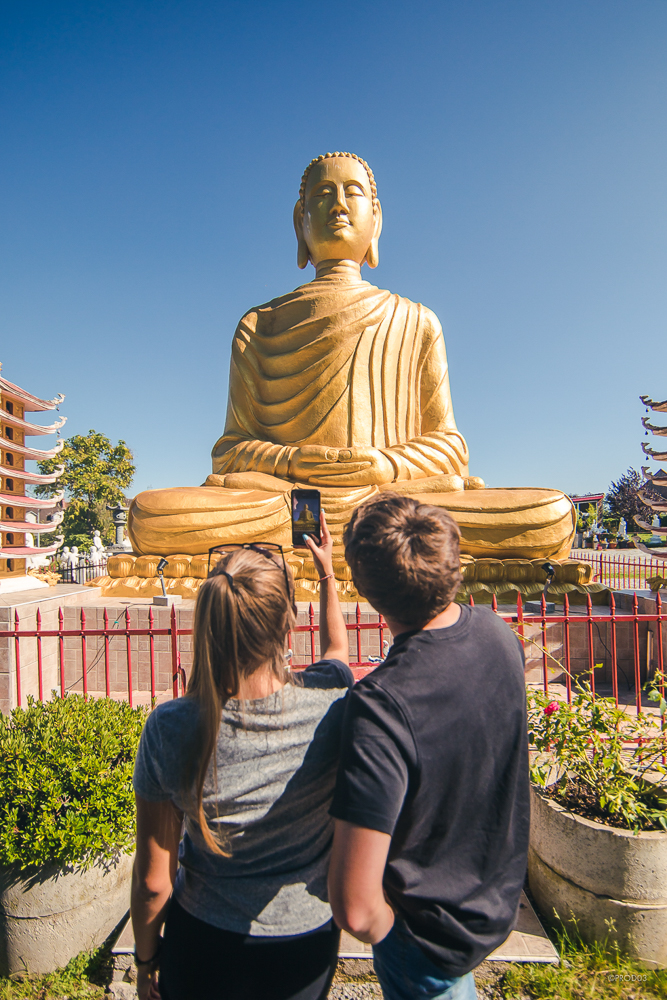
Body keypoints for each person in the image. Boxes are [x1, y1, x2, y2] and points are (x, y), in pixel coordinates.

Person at [131, 512, 352, 1000]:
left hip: (203, 942)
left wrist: (146, 964)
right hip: (305, 942)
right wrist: (327, 573)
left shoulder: (170, 728)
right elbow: (337, 649)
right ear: (288, 623)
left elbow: (153, 882)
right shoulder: (331, 700)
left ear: (208, 622)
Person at [327, 494, 530, 1000]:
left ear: (364, 588)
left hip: (422, 938)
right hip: (488, 901)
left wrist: (396, 934)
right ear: (454, 561)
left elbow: (356, 908)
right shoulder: (500, 635)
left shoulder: (381, 704)